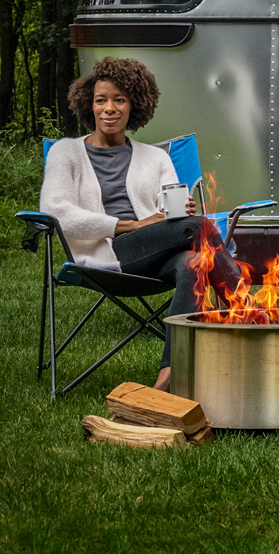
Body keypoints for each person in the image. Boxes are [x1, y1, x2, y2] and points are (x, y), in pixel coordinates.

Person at [38, 56, 242, 392]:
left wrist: (180, 212)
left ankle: (170, 374)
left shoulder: (157, 157)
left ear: (136, 105)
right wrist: (126, 225)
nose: (110, 109)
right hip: (104, 258)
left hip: (155, 253)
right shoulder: (66, 153)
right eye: (101, 100)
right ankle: (247, 310)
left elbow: (168, 212)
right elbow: (56, 211)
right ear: (89, 104)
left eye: (120, 100)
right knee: (199, 227)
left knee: (195, 261)